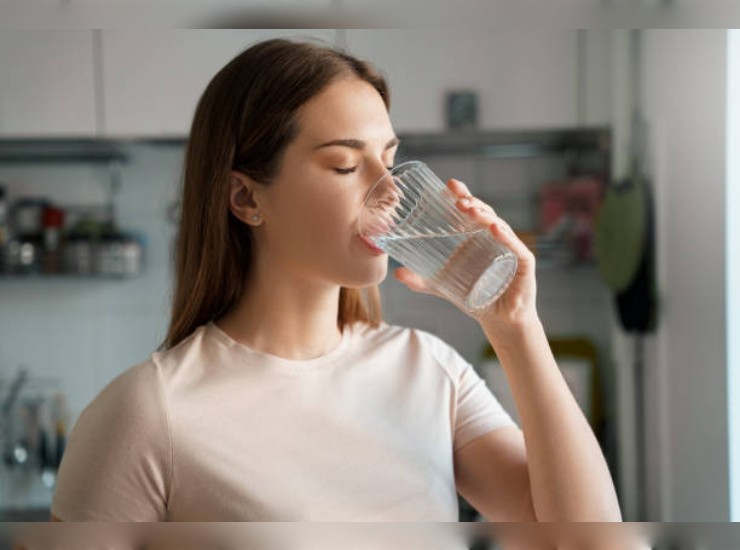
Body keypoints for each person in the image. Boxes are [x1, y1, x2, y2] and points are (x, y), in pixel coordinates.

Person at [51, 38, 621, 522]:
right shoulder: (151, 414)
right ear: (247, 197)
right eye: (346, 165)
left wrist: (516, 327)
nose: (391, 190)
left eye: (389, 158)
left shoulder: (430, 373)